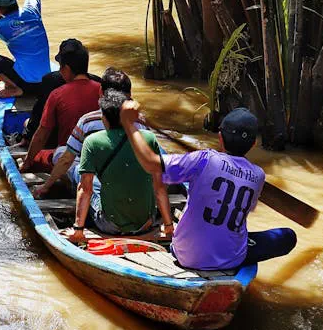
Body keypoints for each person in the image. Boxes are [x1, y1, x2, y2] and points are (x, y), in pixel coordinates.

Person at [119, 102, 298, 270]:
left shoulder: (204, 159)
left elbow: (151, 163)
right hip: (231, 259)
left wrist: (129, 124)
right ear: (253, 144)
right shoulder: (258, 175)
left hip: (186, 255)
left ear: (220, 137)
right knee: (288, 236)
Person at [67, 90, 174, 243]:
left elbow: (85, 189)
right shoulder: (148, 138)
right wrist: (168, 225)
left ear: (104, 117)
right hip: (146, 223)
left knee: (79, 172)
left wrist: (78, 230)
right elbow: (160, 187)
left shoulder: (92, 142)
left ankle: (82, 224)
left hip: (110, 225)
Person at [33, 67, 149, 197]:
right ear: (129, 95)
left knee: (61, 153)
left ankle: (73, 190)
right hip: (131, 178)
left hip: (100, 180)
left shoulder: (88, 121)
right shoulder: (140, 120)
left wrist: (46, 186)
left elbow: (66, 160)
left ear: (101, 92)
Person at [21, 39, 101, 173]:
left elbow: (42, 134)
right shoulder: (103, 89)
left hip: (68, 157)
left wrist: (28, 161)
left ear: (67, 68)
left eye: (60, 67)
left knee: (36, 157)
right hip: (98, 155)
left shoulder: (57, 94)